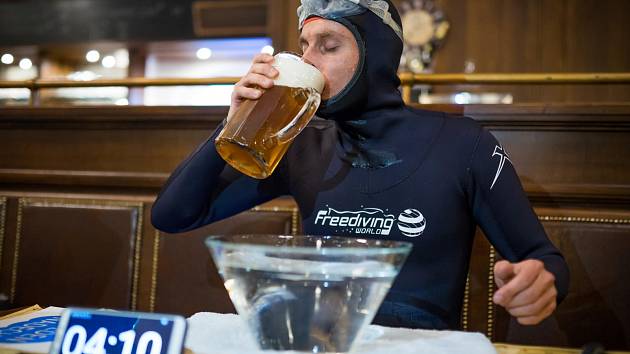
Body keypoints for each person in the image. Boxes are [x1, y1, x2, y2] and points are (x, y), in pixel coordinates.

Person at [152, 0, 569, 330]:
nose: (307, 60)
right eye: (303, 46)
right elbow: (173, 215)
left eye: (329, 46)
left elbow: (543, 260)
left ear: (376, 58)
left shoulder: (462, 144)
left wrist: (540, 284)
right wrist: (235, 120)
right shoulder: (299, 145)